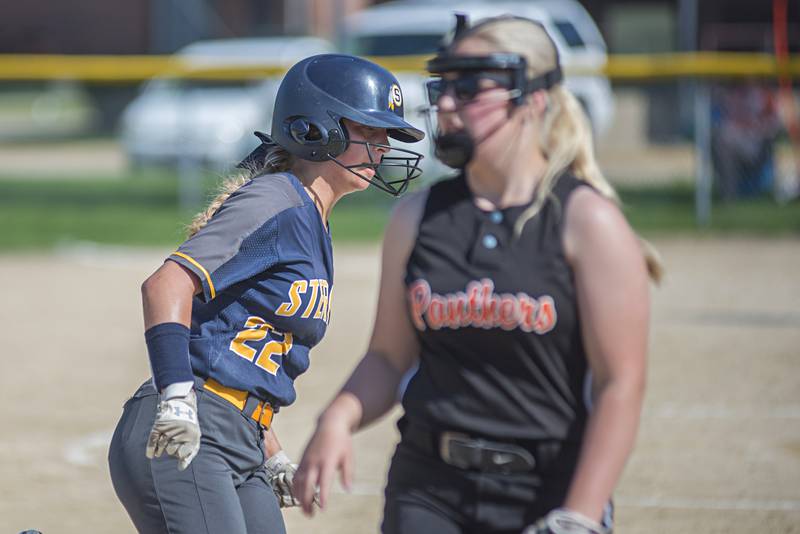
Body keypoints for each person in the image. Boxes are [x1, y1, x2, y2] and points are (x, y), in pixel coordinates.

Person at [293, 16, 663, 534]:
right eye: (444, 86)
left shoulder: (586, 221)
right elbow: (388, 356)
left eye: (468, 87)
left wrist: (578, 515)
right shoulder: (418, 217)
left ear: (532, 98)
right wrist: (338, 417)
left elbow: (620, 385)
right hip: (429, 488)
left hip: (546, 489)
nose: (446, 104)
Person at [107, 53, 424, 534]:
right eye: (370, 131)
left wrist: (272, 452)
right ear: (316, 129)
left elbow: (249, 347)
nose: (382, 148)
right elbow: (166, 283)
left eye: (387, 136)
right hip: (187, 427)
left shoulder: (311, 220)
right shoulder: (276, 198)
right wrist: (176, 397)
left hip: (243, 438)